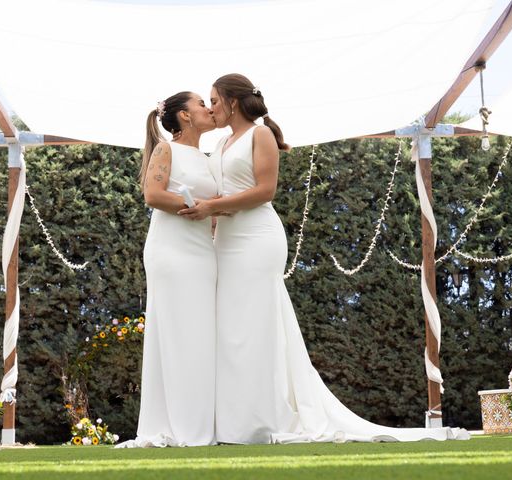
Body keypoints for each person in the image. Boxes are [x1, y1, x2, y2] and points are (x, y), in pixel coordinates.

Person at [178, 73, 469, 444]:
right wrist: (209, 219)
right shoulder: (218, 146)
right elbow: (215, 192)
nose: (211, 108)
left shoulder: (260, 135)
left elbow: (264, 191)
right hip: (227, 242)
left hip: (257, 239)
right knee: (233, 329)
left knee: (256, 324)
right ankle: (235, 418)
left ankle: (264, 417)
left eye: (214, 101)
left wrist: (213, 207)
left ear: (233, 102)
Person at [117, 91, 218, 447]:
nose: (209, 108)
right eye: (201, 104)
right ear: (185, 116)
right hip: (172, 250)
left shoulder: (208, 157)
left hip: (205, 251)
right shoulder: (166, 150)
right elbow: (153, 194)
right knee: (177, 331)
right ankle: (178, 422)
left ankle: (204, 418)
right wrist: (198, 206)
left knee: (203, 333)